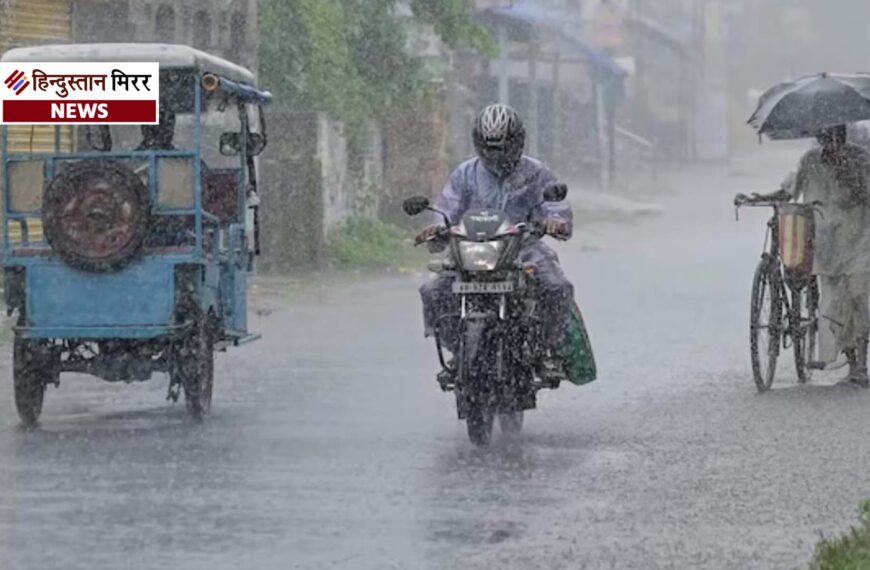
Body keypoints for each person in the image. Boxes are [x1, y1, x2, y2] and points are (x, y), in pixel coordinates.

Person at [418, 104, 574, 380]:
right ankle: (459, 351)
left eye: (502, 147)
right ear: (478, 143)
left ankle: (551, 350)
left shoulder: (537, 173)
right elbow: (447, 208)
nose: (496, 154)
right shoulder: (465, 174)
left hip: (524, 247)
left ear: (518, 142)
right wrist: (435, 229)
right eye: (489, 147)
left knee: (557, 287)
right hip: (471, 249)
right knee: (433, 291)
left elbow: (556, 207)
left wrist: (555, 222)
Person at [738, 125, 870, 386]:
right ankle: (853, 360)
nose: (830, 142)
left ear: (843, 135)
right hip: (827, 242)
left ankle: (861, 365)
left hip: (860, 237)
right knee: (835, 303)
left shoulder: (861, 157)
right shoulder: (810, 160)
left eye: (835, 136)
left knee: (858, 296)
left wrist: (851, 178)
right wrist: (760, 198)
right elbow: (789, 189)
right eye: (825, 137)